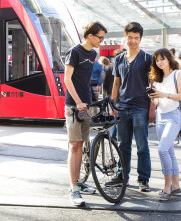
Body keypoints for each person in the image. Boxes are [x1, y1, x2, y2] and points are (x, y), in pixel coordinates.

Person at [63, 21, 107, 207]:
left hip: (86, 106)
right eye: (100, 37)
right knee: (74, 146)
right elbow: (67, 79)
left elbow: (85, 80)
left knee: (82, 145)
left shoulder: (93, 53)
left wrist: (90, 102)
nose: (101, 41)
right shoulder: (75, 52)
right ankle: (74, 189)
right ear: (90, 35)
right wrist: (78, 102)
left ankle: (79, 182)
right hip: (74, 106)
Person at [108, 22, 154, 192]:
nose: (133, 41)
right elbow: (116, 84)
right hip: (122, 107)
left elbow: (152, 85)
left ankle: (143, 179)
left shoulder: (147, 58)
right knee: (122, 145)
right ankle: (122, 176)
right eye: (130, 37)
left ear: (140, 39)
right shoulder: (118, 58)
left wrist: (152, 109)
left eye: (136, 38)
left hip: (140, 107)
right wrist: (113, 104)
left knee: (142, 146)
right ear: (125, 37)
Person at [147, 48, 181, 201]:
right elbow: (158, 102)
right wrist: (153, 97)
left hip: (174, 116)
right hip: (161, 116)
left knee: (162, 150)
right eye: (157, 60)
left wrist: (164, 94)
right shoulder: (157, 79)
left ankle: (166, 186)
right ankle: (176, 187)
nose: (159, 62)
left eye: (162, 59)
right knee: (170, 152)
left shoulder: (178, 74)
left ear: (169, 59)